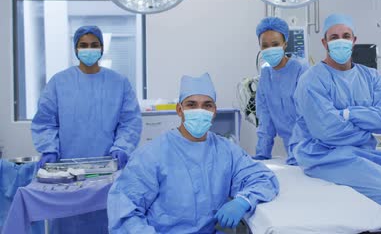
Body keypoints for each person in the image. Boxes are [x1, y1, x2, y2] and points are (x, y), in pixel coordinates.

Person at [291, 14, 381, 231]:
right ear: (324, 42)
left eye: (346, 36)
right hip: (325, 156)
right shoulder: (311, 80)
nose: (340, 40)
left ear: (354, 40)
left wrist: (348, 114)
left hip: (367, 153)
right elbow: (327, 131)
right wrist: (368, 123)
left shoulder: (372, 77)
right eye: (334, 37)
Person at [108, 73, 279, 233]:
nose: (200, 110)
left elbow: (263, 179)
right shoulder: (152, 154)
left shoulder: (226, 150)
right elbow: (124, 210)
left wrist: (243, 201)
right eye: (191, 104)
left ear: (214, 112)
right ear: (179, 110)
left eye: (207, 105)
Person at [30, 25, 142, 233]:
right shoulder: (59, 82)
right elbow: (45, 121)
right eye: (83, 45)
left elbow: (130, 121)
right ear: (75, 49)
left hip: (107, 169)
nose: (89, 49)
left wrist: (123, 147)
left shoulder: (119, 83)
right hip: (67, 172)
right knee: (67, 220)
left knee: (105, 218)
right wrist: (49, 148)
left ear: (101, 48)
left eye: (94, 45)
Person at [252, 17, 308, 165]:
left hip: (309, 145)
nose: (270, 49)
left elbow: (305, 115)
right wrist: (262, 155)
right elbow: (265, 117)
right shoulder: (265, 75)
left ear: (285, 44)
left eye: (275, 44)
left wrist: (296, 152)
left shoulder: (300, 70)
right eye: (265, 45)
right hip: (289, 148)